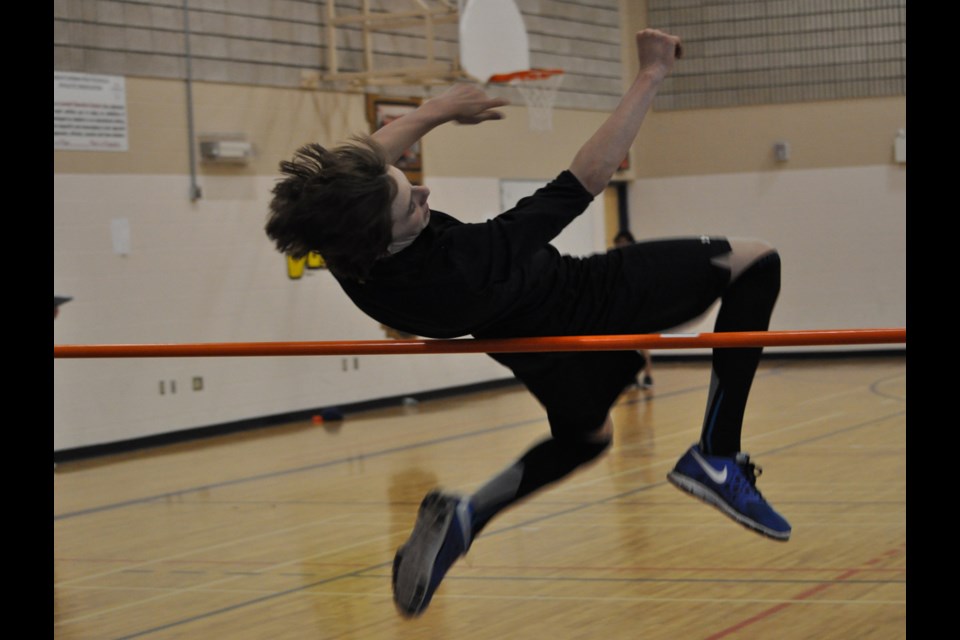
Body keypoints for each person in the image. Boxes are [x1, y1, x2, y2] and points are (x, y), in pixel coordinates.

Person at [266, 28, 790, 619]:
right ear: (385, 237)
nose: (424, 190)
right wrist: (650, 75)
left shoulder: (342, 242)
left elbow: (369, 161)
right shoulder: (463, 264)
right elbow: (582, 182)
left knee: (584, 441)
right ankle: (717, 454)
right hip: (589, 297)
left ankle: (467, 517)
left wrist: (438, 110)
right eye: (412, 201)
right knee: (755, 261)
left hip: (525, 344)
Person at [612, 230, 654, 388]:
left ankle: (648, 374)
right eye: (619, 242)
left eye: (624, 241)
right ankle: (631, 377)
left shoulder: (638, 259)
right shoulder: (615, 260)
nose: (621, 244)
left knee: (642, 342)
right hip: (623, 306)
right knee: (625, 344)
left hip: (639, 305)